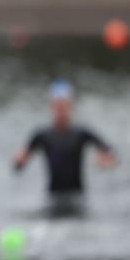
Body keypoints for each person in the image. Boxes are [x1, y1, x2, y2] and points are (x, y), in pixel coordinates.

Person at [13, 81, 115, 214]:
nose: (61, 110)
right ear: (51, 106)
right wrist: (18, 161)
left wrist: (104, 162)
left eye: (64, 105)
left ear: (71, 106)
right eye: (58, 105)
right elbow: (19, 164)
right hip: (52, 197)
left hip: (78, 197)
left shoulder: (81, 133)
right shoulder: (42, 135)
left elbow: (109, 154)